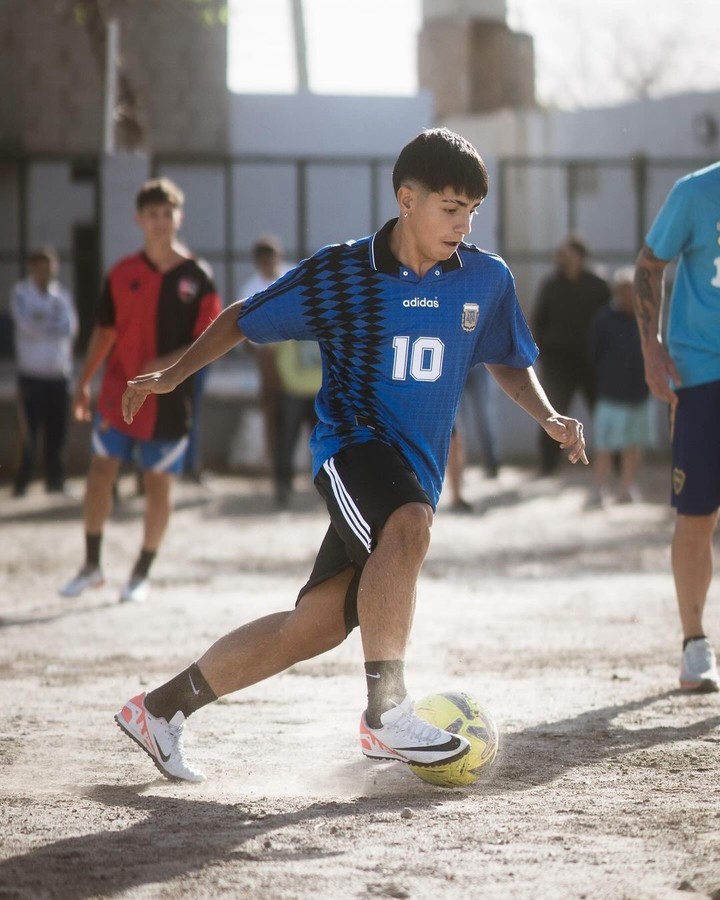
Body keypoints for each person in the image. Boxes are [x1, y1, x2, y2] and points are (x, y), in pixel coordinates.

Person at [114, 128, 588, 783]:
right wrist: (174, 374)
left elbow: (506, 360)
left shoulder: (486, 279)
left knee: (312, 628)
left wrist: (550, 415)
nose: (463, 223)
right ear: (407, 199)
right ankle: (386, 714)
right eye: (450, 208)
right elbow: (242, 319)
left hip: (411, 470)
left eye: (473, 210)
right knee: (410, 524)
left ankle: (160, 709)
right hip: (352, 449)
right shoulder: (342, 274)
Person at [59, 178, 222, 604]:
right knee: (99, 475)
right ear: (139, 220)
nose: (160, 222)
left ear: (178, 218)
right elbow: (105, 331)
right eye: (152, 214)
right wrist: (83, 382)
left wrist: (168, 365)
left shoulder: (198, 277)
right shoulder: (122, 273)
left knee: (157, 486)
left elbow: (211, 340)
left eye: (167, 214)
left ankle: (140, 573)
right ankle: (92, 564)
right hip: (116, 391)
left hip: (168, 399)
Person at [634, 160, 720, 693]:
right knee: (697, 514)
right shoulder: (695, 192)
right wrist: (650, 346)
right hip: (701, 372)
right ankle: (694, 644)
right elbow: (648, 265)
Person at [532, 236, 611, 475]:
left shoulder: (597, 285)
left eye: (565, 253)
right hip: (559, 362)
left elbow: (609, 322)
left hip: (592, 361)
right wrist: (542, 351)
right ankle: (548, 465)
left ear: (578, 256)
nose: (560, 258)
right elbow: (539, 320)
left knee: (605, 411)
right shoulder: (551, 285)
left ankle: (614, 463)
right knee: (552, 413)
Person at [9, 247, 78, 496]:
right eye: (40, 266)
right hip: (31, 374)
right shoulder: (21, 293)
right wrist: (51, 327)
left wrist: (43, 325)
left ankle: (55, 481)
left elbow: (69, 328)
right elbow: (27, 326)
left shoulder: (62, 296)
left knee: (58, 430)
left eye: (50, 267)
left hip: (59, 374)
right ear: (32, 268)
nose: (45, 272)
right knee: (29, 432)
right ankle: (22, 482)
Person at [586, 267, 655, 509]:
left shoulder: (644, 316)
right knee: (604, 446)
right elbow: (593, 354)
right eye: (625, 290)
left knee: (633, 445)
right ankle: (598, 489)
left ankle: (626, 488)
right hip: (611, 392)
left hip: (639, 392)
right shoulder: (604, 318)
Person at [240, 235, 294, 462]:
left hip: (295, 352)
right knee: (272, 409)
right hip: (268, 356)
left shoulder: (292, 276)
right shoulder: (251, 288)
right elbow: (241, 329)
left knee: (302, 408)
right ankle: (274, 461)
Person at [271, 338, 322, 508]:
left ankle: (325, 489)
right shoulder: (289, 317)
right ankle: (282, 487)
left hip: (320, 391)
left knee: (323, 444)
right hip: (292, 390)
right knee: (286, 442)